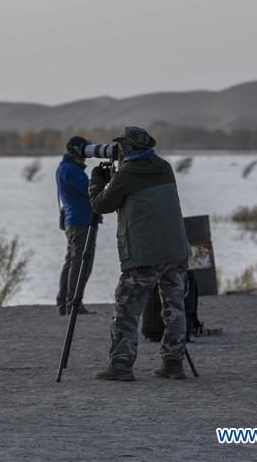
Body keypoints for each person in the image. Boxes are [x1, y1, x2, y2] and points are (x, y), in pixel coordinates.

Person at [88, 126, 192, 381]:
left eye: (121, 147)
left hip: (145, 254)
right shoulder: (165, 168)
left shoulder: (127, 175)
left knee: (126, 310)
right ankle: (173, 363)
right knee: (174, 308)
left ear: (130, 149)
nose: (119, 150)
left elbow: (102, 205)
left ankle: (121, 366)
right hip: (176, 251)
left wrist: (96, 182)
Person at [55, 136, 99, 316]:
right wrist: (102, 180)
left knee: (71, 261)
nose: (87, 152)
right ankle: (74, 304)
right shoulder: (73, 171)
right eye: (85, 149)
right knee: (81, 264)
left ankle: (64, 302)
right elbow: (92, 191)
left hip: (73, 221)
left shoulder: (64, 168)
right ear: (76, 149)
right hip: (82, 222)